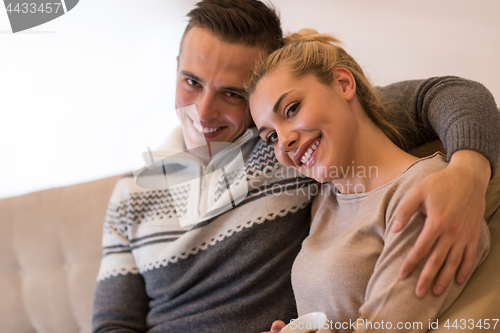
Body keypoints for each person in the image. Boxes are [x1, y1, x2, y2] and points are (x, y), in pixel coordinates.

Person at [91, 1, 500, 332]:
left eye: (232, 93)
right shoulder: (131, 194)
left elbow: (447, 94)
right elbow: (114, 323)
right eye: (191, 81)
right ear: (176, 64)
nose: (203, 111)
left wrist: (469, 169)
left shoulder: (291, 152)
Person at [246, 29, 491, 333]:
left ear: (343, 84)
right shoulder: (325, 201)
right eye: (271, 137)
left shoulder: (425, 192)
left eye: (292, 109)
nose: (284, 141)